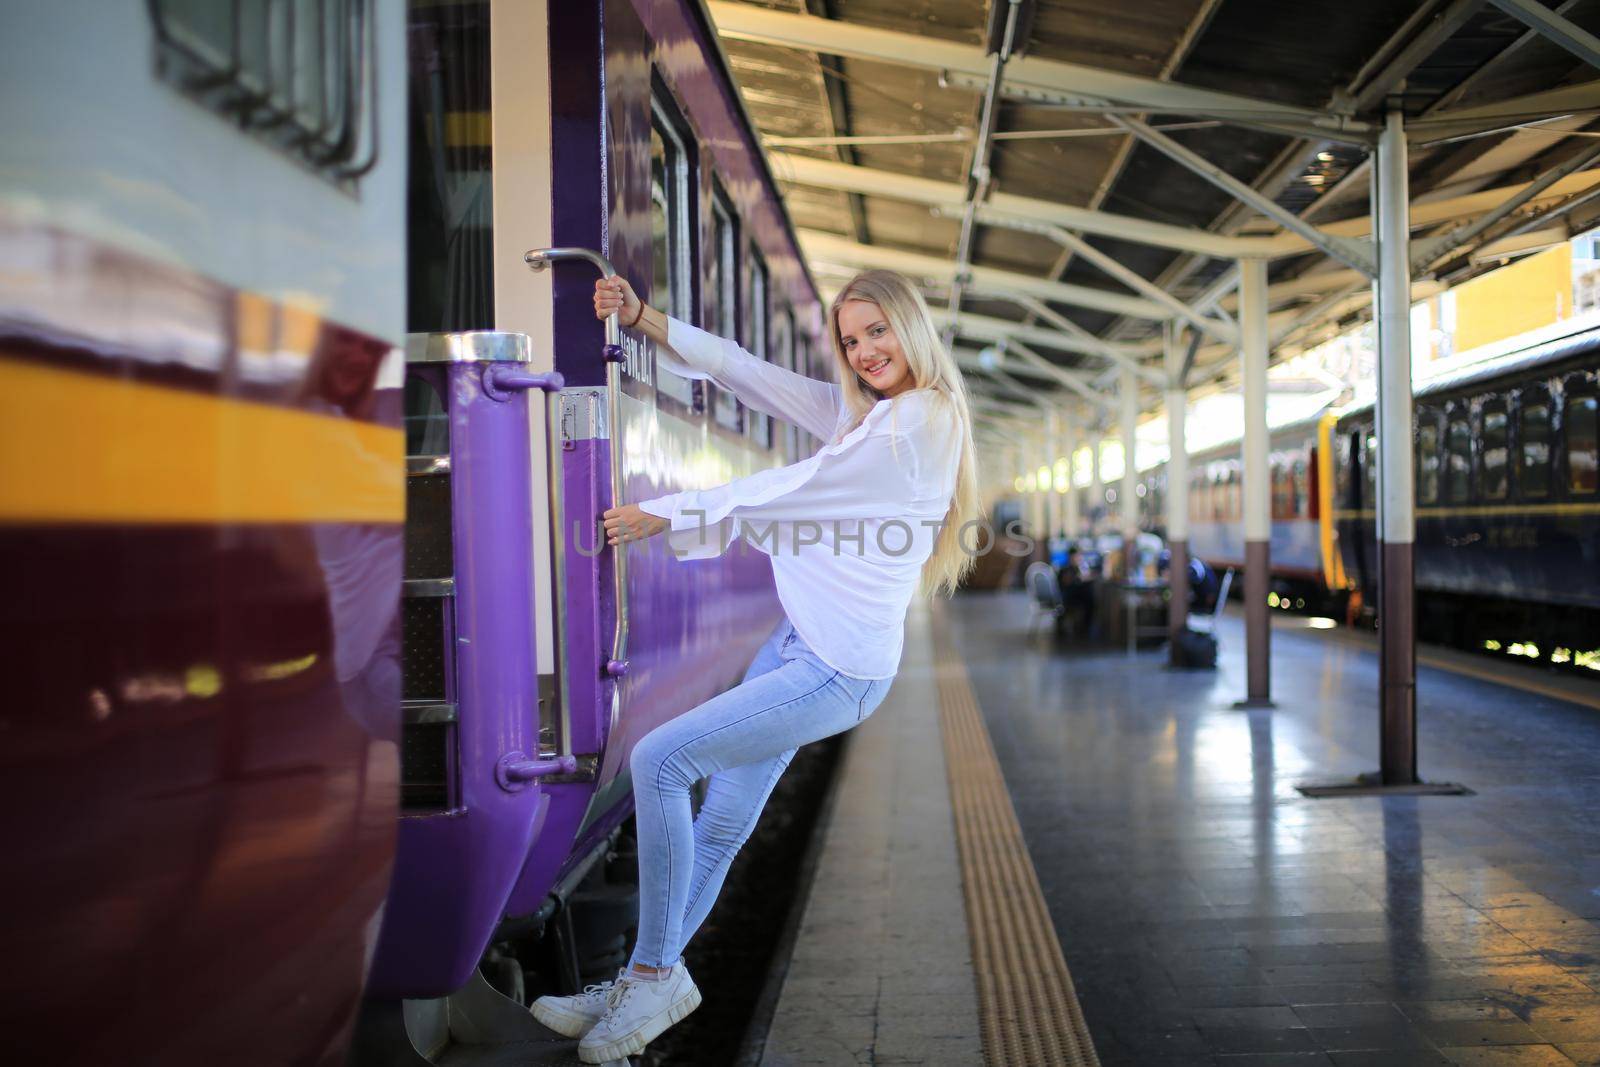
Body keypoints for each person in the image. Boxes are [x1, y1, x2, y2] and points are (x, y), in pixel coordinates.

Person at [530, 269, 980, 1063]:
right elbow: (753, 373)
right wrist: (647, 320)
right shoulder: (869, 413)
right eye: (850, 339)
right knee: (720, 825)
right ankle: (644, 975)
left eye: (878, 331)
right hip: (800, 644)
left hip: (836, 667)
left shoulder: (921, 419)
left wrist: (668, 509)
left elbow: (801, 484)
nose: (865, 350)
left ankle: (654, 974)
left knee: (659, 759)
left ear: (910, 327)